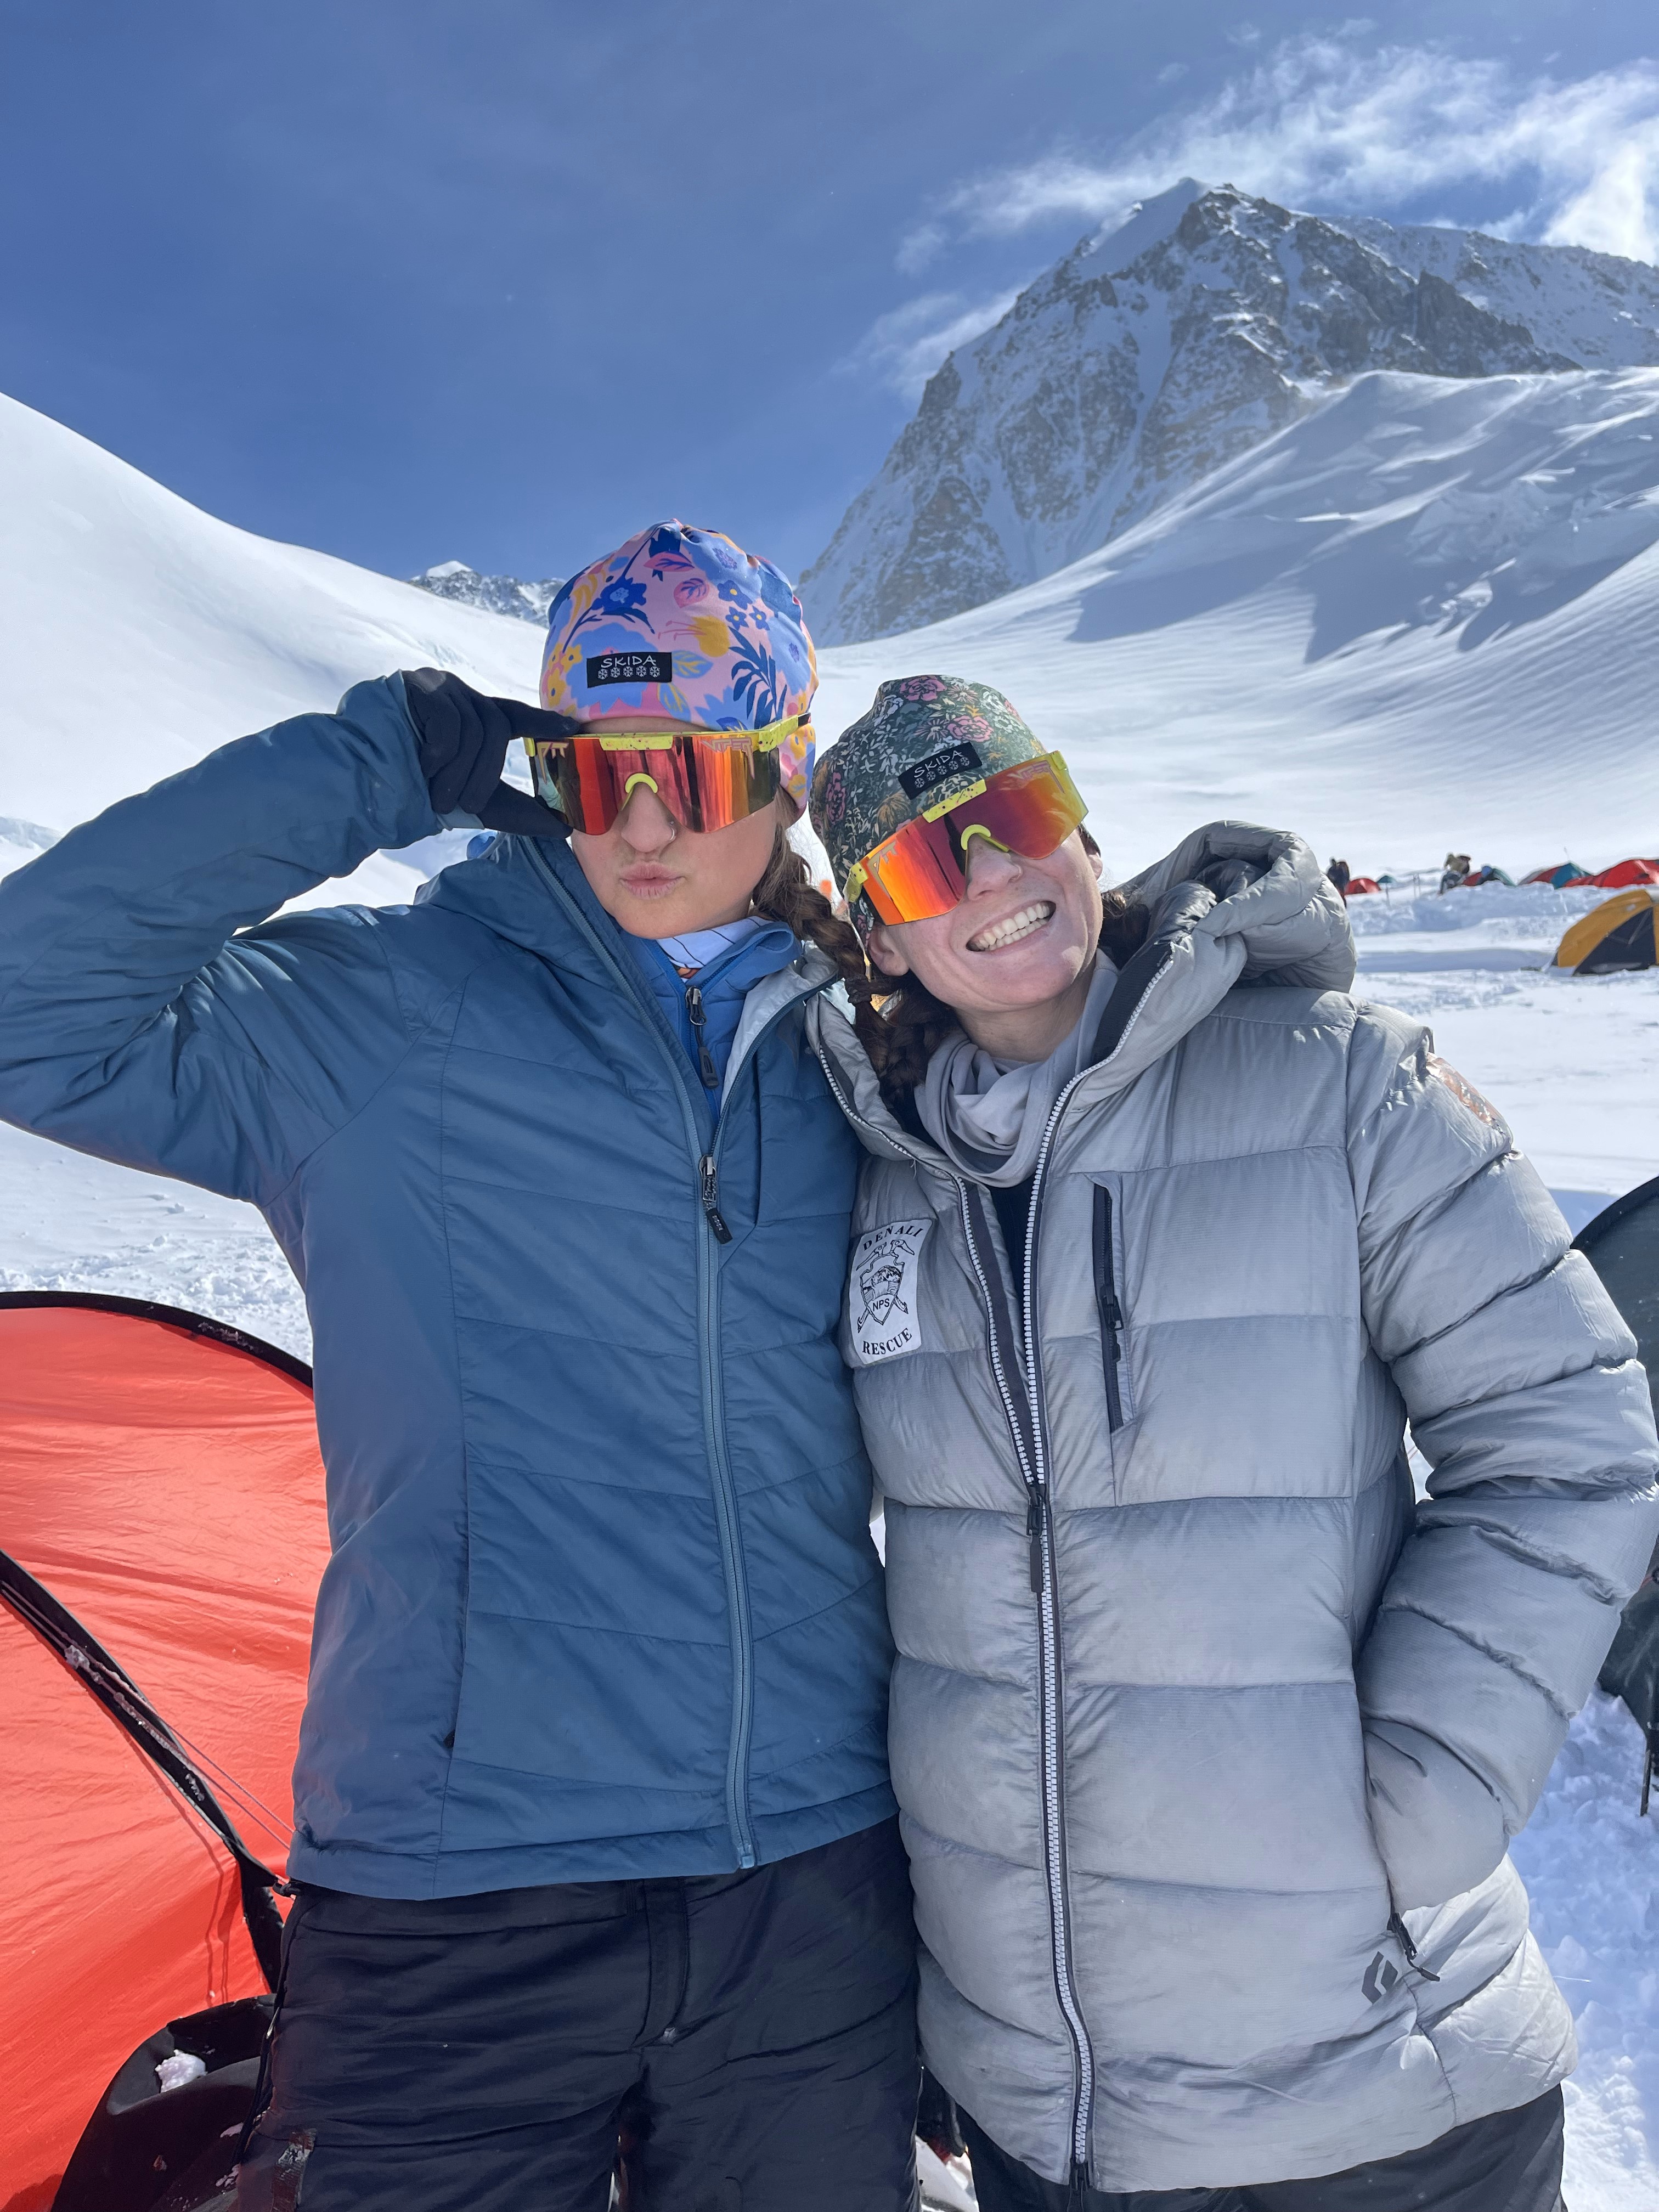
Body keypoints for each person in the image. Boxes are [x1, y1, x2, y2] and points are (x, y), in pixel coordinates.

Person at [0, 524, 922, 2212]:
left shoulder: (861, 1051)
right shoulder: (378, 1010)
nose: (644, 824)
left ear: (788, 774)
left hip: (810, 1877)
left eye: (699, 771)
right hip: (455, 1898)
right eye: (599, 770)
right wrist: (371, 765)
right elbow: (24, 1009)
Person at [801, 674, 1659, 2212]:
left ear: (1080, 827)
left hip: (1388, 2092)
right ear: (878, 932)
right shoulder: (876, 1178)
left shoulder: (1342, 1080)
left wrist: (1419, 1794)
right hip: (1055, 2119)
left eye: (1016, 812)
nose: (994, 873)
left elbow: (1569, 1430)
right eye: (930, 860)